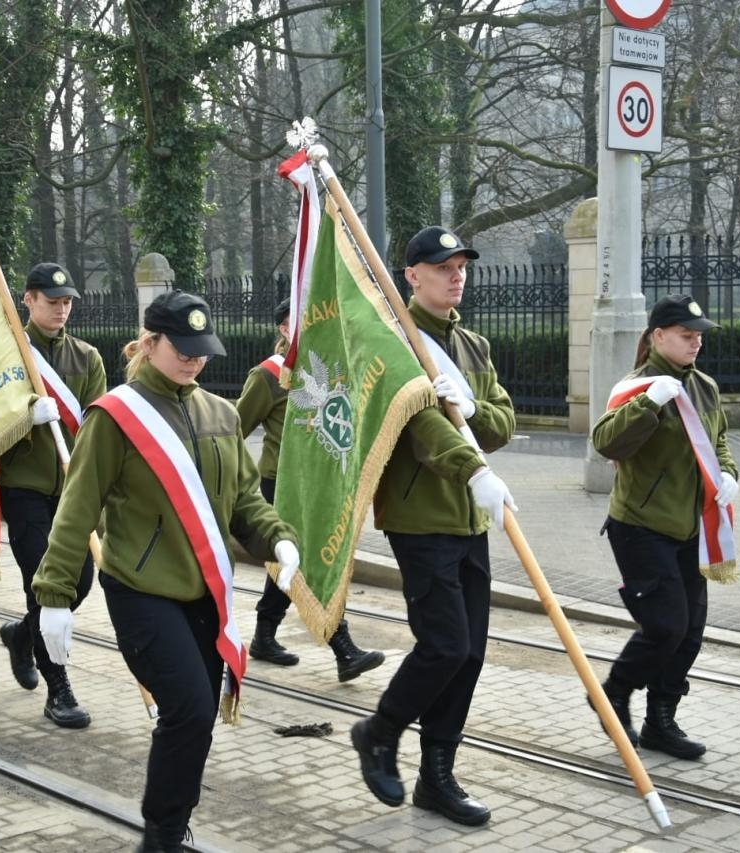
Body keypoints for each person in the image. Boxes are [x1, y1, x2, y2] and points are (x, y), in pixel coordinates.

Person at [32, 290, 301, 852]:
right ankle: (159, 837)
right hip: (142, 590)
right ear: (150, 343)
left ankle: (172, 824)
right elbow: (76, 507)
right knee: (190, 709)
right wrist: (54, 595)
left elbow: (245, 499)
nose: (194, 360)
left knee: (193, 721)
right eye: (181, 348)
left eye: (202, 350)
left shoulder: (220, 413)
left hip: (206, 590)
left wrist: (278, 538)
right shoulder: (114, 416)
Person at [350, 226, 517, 828]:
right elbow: (424, 433)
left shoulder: (471, 345)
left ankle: (437, 778)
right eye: (443, 266)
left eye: (462, 265)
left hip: (471, 516)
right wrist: (473, 468)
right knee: (444, 643)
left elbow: (501, 419)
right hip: (421, 516)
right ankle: (379, 731)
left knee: (468, 653)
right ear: (411, 275)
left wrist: (472, 409)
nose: (457, 275)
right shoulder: (394, 342)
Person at [590, 293, 737, 761]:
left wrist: (730, 473)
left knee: (690, 631)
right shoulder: (637, 386)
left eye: (699, 337)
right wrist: (649, 404)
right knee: (665, 626)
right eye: (686, 336)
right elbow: (605, 442)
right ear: (658, 337)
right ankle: (613, 692)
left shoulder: (705, 387)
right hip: (641, 525)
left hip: (691, 526)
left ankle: (660, 720)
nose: (696, 344)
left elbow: (720, 441)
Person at [237, 296, 385, 681]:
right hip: (280, 483)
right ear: (283, 330)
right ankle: (343, 648)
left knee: (293, 562)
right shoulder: (269, 375)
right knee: (310, 561)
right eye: (295, 320)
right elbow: (234, 429)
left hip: (320, 482)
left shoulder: (334, 368)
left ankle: (264, 636)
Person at [0, 262, 106, 729]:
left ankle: (22, 635)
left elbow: (100, 426)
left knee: (78, 584)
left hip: (72, 491)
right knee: (45, 587)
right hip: (25, 488)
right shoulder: (6, 354)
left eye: (66, 302)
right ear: (28, 300)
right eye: (51, 300)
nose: (61, 309)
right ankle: (58, 688)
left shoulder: (87, 357)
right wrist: (25, 419)